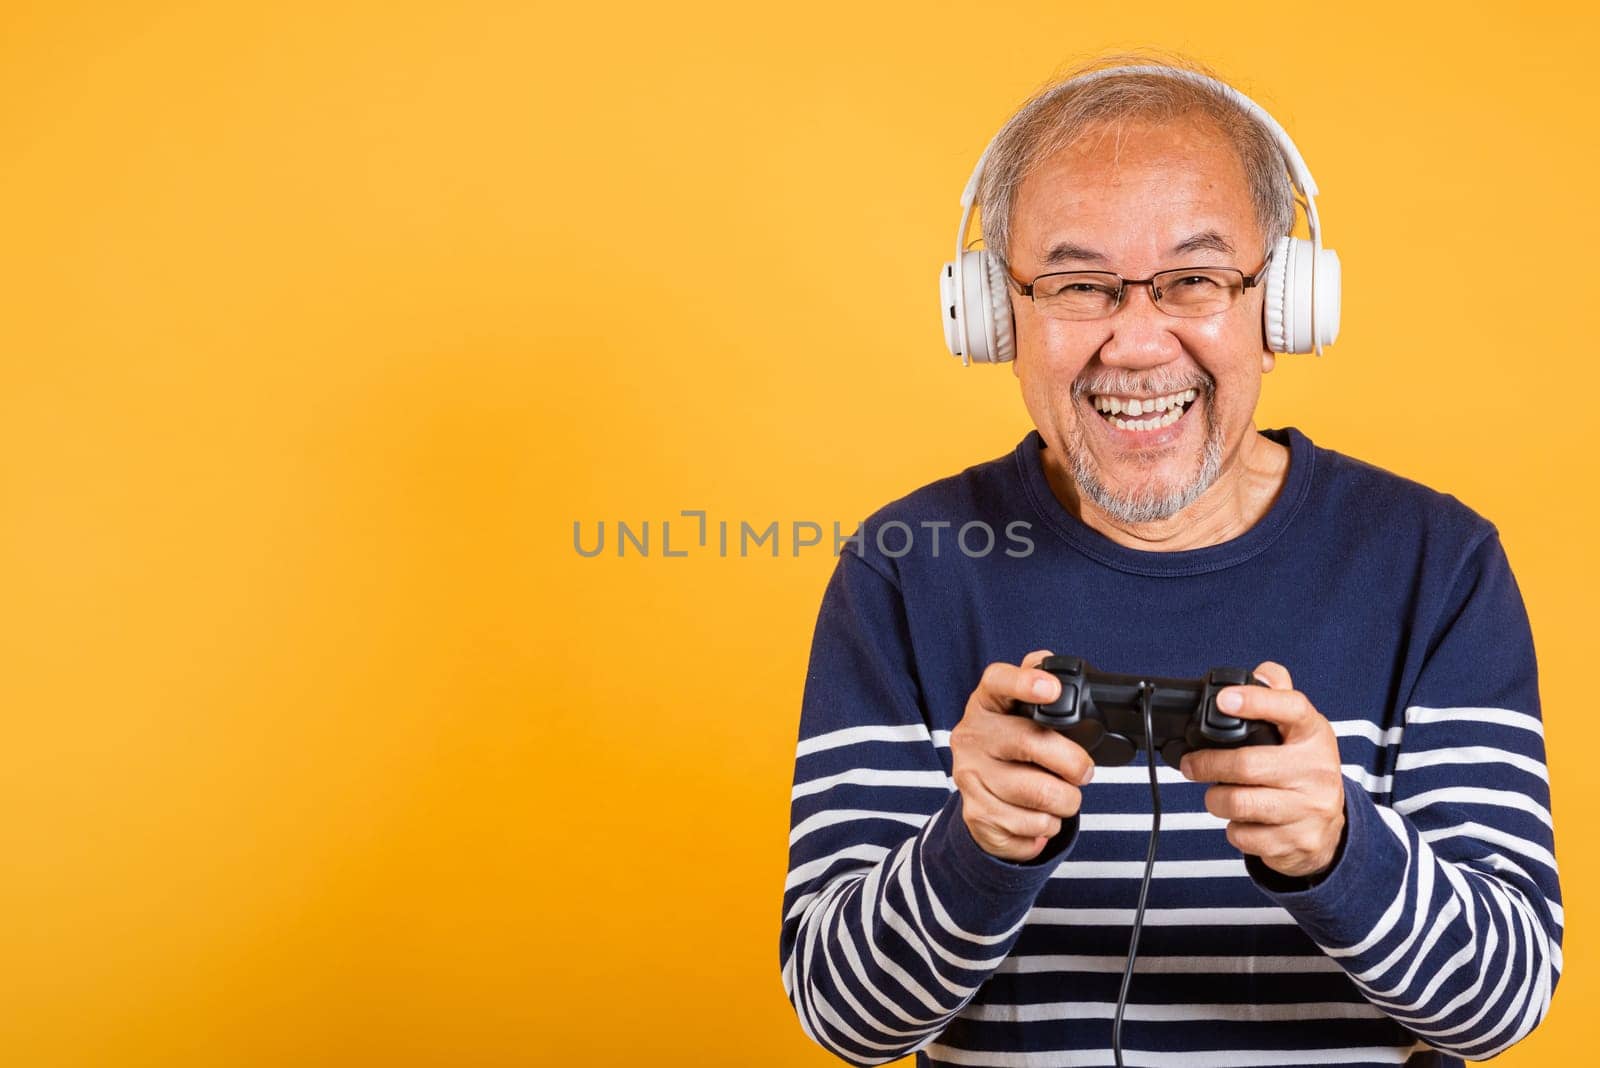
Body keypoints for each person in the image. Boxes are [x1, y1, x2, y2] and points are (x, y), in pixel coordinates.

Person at [780, 56, 1561, 1068]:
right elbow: (847, 1025)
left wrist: (1338, 849)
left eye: (1194, 280)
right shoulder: (905, 569)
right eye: (1076, 285)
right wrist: (969, 850)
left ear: (1282, 308)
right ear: (991, 318)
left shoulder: (1435, 564)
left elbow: (1496, 1013)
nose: (1137, 343)